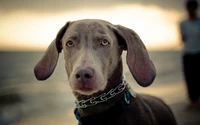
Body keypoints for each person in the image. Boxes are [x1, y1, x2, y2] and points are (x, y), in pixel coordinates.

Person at [179, 0, 200, 109]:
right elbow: (182, 38)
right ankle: (193, 101)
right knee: (189, 78)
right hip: (187, 54)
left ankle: (197, 100)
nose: (191, 10)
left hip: (199, 53)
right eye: (189, 8)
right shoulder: (182, 23)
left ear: (196, 8)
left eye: (193, 7)